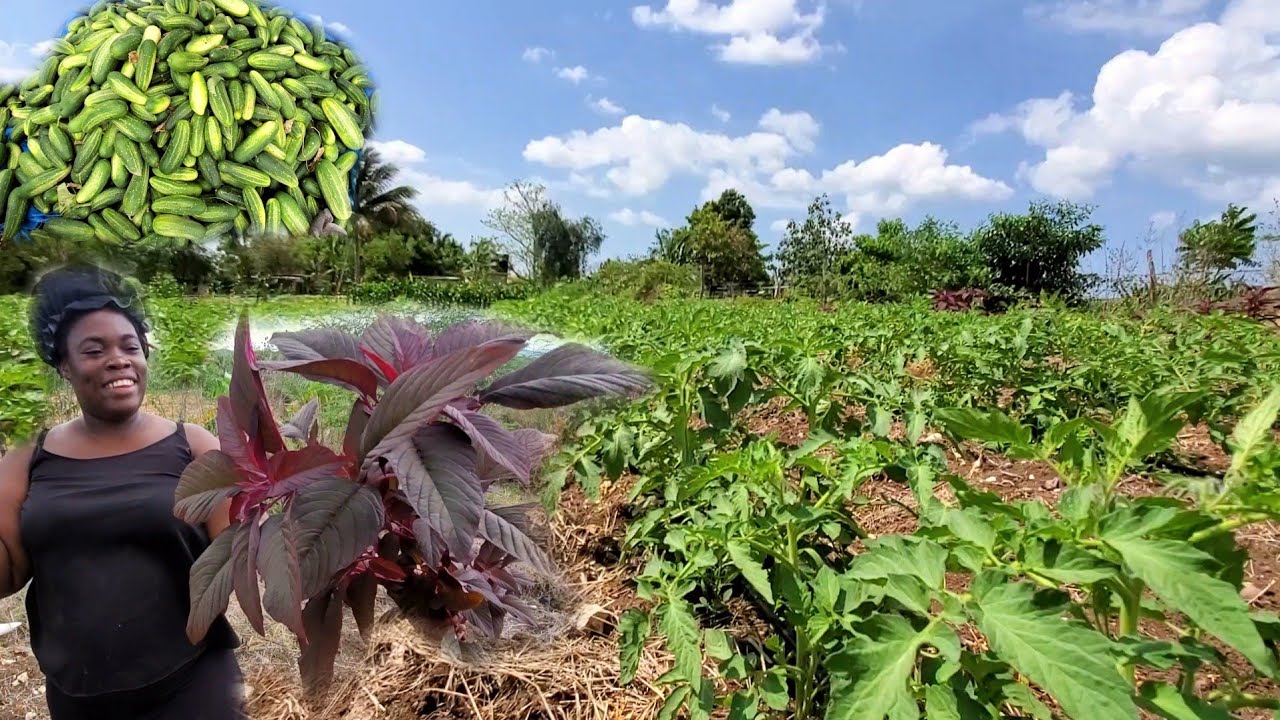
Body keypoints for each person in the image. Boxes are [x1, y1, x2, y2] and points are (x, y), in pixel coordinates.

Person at [0, 262, 244, 720]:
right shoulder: (27, 459)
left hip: (191, 683)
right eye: (94, 350)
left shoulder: (194, 446)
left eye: (131, 347)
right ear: (64, 365)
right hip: (79, 696)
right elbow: (6, 575)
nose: (118, 359)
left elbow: (241, 553)